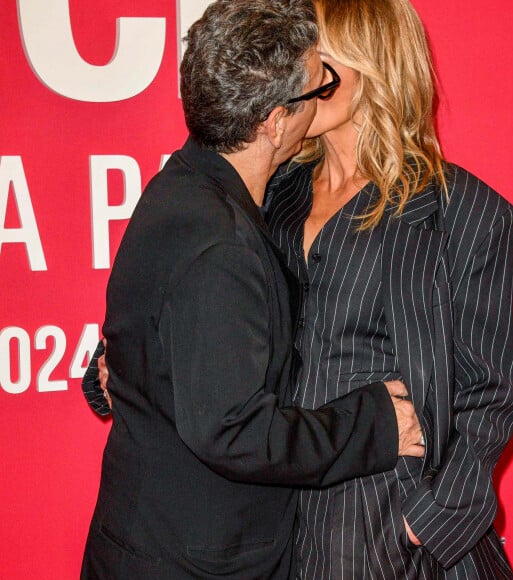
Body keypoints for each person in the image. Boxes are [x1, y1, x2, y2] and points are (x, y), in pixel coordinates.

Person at [80, 1, 426, 578]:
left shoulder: (180, 184)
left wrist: (126, 371)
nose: (326, 93)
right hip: (191, 559)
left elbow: (171, 332)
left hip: (152, 537)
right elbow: (233, 432)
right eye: (321, 82)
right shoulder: (224, 243)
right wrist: (375, 424)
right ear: (275, 119)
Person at [265, 0, 513, 578]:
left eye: (318, 54)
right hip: (277, 512)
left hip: (388, 518)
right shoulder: (273, 193)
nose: (299, 72)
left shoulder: (466, 213)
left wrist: (429, 520)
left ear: (370, 64)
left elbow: (491, 389)